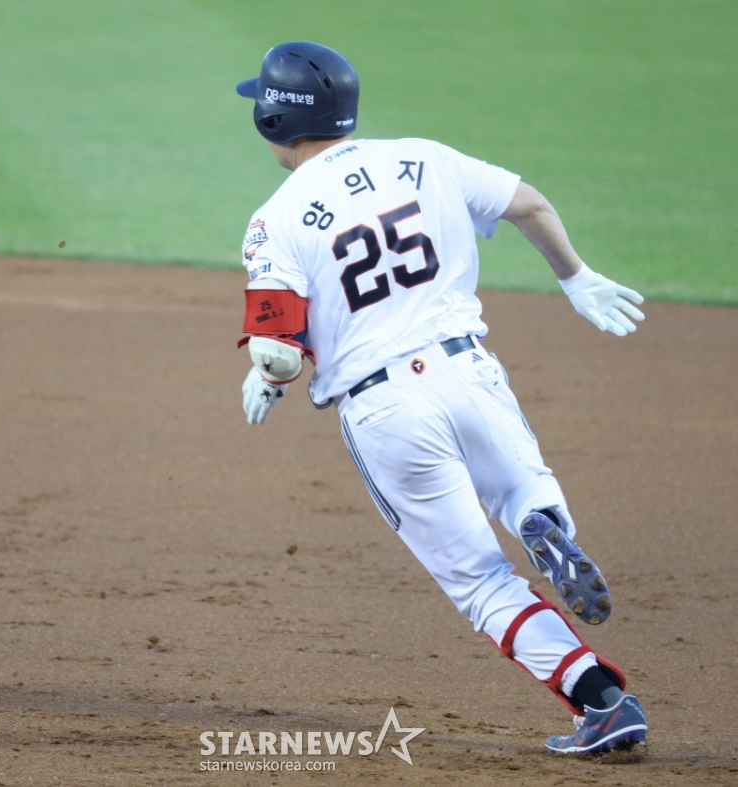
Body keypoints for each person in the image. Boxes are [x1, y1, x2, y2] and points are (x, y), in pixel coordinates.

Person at [234, 41, 648, 755]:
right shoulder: (423, 157)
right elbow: (529, 204)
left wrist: (268, 378)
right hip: (468, 369)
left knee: (482, 582)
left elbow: (278, 348)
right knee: (519, 492)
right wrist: (576, 277)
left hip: (387, 410)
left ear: (274, 120)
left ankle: (602, 702)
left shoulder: (274, 219)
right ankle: (539, 517)